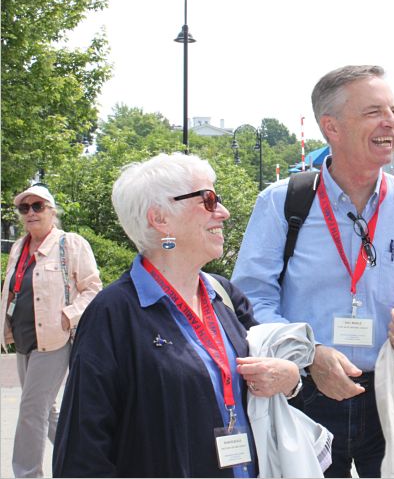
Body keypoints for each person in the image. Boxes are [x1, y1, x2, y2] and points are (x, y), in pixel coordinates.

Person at [232, 65, 394, 477]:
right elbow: (251, 300)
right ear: (331, 126)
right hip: (305, 394)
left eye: (393, 109)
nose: (391, 122)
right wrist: (310, 355)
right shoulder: (283, 203)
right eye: (373, 112)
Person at [53, 153, 303, 477]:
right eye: (208, 200)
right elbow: (82, 452)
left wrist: (291, 378)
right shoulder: (111, 315)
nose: (223, 213)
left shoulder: (225, 297)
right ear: (160, 219)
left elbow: (272, 372)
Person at [1, 184, 102, 478]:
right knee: (47, 410)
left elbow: (93, 289)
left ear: (52, 211)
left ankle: (27, 474)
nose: (30, 213)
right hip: (22, 339)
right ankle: (85, 459)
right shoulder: (19, 246)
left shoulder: (69, 244)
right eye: (24, 208)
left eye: (38, 207)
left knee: (32, 411)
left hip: (53, 340)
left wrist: (67, 317)